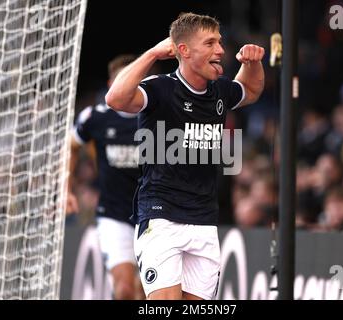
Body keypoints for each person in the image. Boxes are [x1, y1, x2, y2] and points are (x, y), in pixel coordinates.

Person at [105, 12, 265, 300]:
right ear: (183, 50)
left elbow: (251, 89)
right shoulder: (161, 88)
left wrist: (252, 64)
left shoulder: (219, 91)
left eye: (220, 42)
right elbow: (115, 98)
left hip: (204, 220)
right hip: (161, 216)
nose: (220, 50)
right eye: (210, 43)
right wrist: (154, 52)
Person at [69, 54, 144, 300]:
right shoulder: (95, 118)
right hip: (113, 214)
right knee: (124, 290)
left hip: (155, 216)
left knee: (148, 293)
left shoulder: (158, 117)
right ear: (112, 85)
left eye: (136, 78)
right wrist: (66, 190)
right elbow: (71, 145)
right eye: (124, 79)